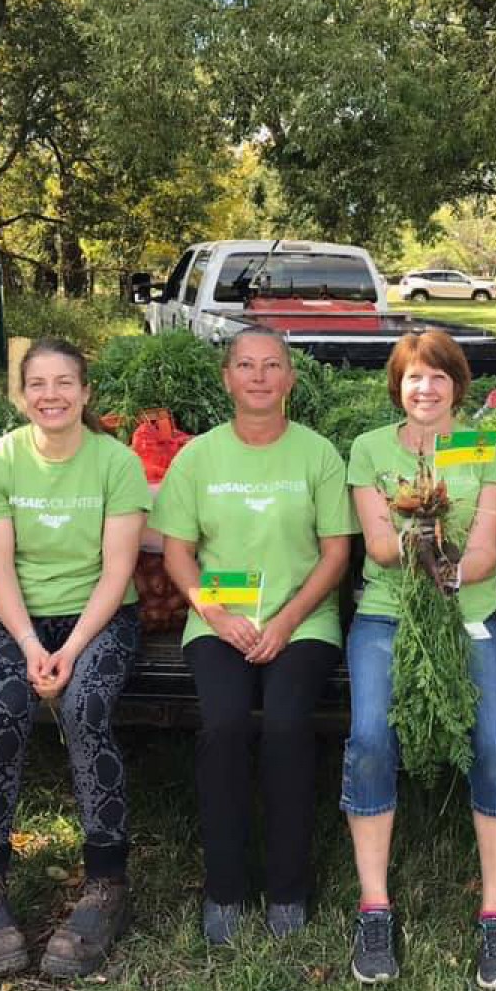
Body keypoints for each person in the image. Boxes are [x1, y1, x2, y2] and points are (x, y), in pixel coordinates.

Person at [150, 327, 352, 945]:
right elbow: (179, 555)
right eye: (245, 365)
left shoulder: (318, 454)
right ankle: (226, 887)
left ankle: (288, 887)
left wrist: (288, 621)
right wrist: (216, 614)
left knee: (289, 725)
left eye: (271, 366)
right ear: (227, 379)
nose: (259, 376)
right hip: (219, 619)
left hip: (304, 619)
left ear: (290, 380)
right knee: (226, 724)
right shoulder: (198, 457)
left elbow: (336, 552)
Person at [343, 330, 496, 991]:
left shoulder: (486, 449)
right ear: (398, 385)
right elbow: (382, 548)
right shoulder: (369, 450)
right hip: (388, 613)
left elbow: (484, 552)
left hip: (469, 611)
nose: (425, 389)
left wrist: (452, 574)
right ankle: (374, 907)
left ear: (458, 385)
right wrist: (421, 532)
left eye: (438, 377)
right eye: (413, 377)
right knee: (368, 738)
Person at [0, 338, 149, 978]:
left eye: (64, 382)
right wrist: (33, 646)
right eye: (37, 384)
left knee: (86, 707)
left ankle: (106, 883)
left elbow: (118, 570)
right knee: (6, 711)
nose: (51, 396)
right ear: (21, 394)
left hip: (101, 617)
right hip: (19, 618)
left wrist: (68, 650)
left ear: (86, 391)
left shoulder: (115, 463)